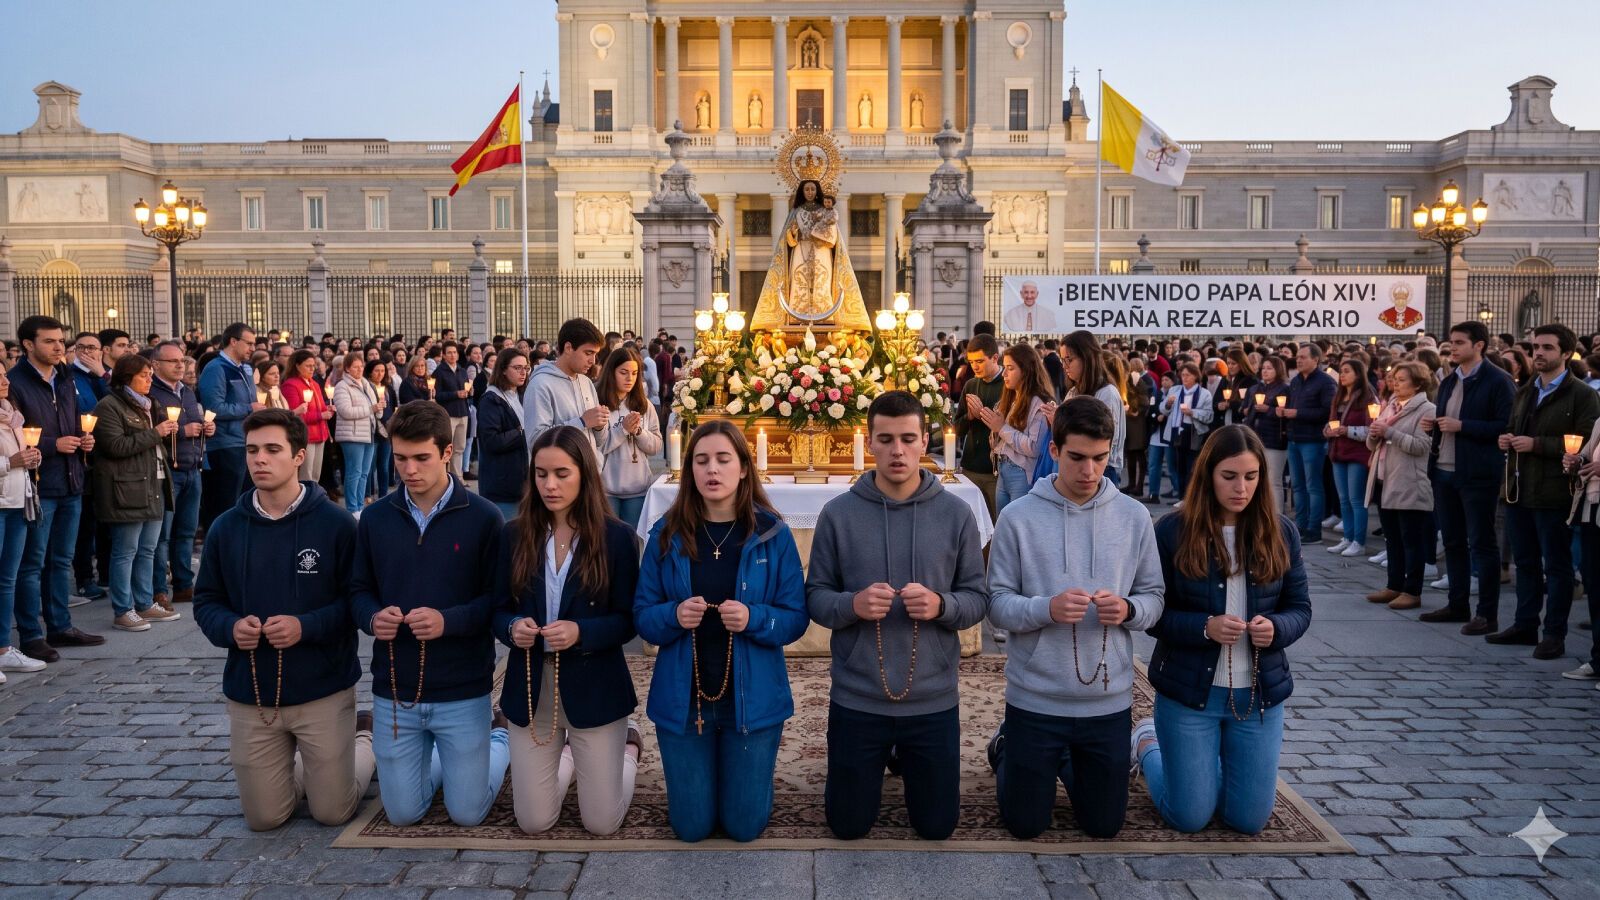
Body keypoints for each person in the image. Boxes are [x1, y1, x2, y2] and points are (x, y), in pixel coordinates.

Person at [805, 390, 989, 840]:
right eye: (885, 439)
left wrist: (942, 605)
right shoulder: (839, 514)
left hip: (932, 697)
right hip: (858, 696)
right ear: (869, 442)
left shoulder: (956, 513)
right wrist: (853, 605)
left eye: (908, 438)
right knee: (848, 827)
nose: (898, 450)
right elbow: (815, 598)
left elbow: (979, 599)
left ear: (925, 441)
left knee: (937, 827)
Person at [986, 397, 1165, 839]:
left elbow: (1154, 598)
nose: (1089, 471)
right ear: (1054, 451)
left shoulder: (1134, 516)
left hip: (1107, 702)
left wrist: (1128, 610)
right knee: (1025, 824)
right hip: (1035, 699)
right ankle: (1008, 747)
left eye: (1100, 459)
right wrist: (1045, 608)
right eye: (1077, 458)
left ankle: (1068, 761)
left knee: (1104, 827)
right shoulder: (1018, 517)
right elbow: (996, 604)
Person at [192, 408, 375, 831]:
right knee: (263, 819)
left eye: (272, 450)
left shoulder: (336, 524)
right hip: (252, 691)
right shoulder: (225, 527)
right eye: (252, 449)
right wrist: (231, 629)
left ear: (298, 455)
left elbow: (355, 603)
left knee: (332, 811)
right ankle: (292, 770)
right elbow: (206, 603)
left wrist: (305, 626)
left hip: (321, 687)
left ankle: (364, 740)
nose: (259, 459)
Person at [633, 420, 808, 842]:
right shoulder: (667, 533)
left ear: (744, 468)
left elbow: (795, 617)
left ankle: (748, 786)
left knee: (744, 826)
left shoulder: (771, 534)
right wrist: (674, 615)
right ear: (690, 469)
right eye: (702, 460)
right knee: (691, 828)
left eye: (723, 459)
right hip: (685, 700)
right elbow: (642, 616)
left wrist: (755, 619)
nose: (712, 469)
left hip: (751, 700)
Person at [1133, 424, 1312, 834]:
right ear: (1208, 474)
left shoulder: (1281, 532)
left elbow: (1299, 608)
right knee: (1189, 816)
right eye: (1229, 476)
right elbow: (1152, 614)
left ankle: (1205, 764)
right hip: (1189, 695)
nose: (1241, 488)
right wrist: (1204, 627)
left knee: (1247, 820)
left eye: (1251, 477)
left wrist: (1277, 627)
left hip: (1258, 698)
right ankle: (1147, 745)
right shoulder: (1172, 531)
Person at [353, 400, 510, 826]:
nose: (409, 469)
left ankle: (499, 737)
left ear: (447, 452)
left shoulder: (484, 517)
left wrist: (448, 621)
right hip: (395, 689)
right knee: (403, 814)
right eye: (400, 458)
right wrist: (371, 618)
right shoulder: (374, 518)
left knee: (467, 813)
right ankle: (443, 757)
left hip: (462, 687)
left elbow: (498, 602)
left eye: (421, 457)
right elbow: (358, 591)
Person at [493, 426, 642, 835]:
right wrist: (511, 626)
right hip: (531, 685)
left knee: (601, 823)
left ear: (585, 474)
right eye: (541, 474)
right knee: (535, 821)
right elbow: (497, 608)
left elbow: (630, 620)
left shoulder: (617, 539)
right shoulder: (515, 533)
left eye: (562, 473)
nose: (550, 484)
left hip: (595, 685)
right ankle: (569, 759)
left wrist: (581, 632)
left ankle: (628, 751)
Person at [1491, 324, 1600, 659]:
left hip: (1555, 491)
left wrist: (1537, 444)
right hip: (1519, 488)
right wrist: (1507, 438)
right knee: (1525, 562)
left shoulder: (1581, 394)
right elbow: (1512, 427)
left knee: (1556, 565)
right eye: (1536, 347)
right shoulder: (1525, 390)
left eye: (1547, 348)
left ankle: (1554, 633)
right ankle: (1525, 624)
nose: (1539, 353)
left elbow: (1584, 443)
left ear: (1566, 354)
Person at [10, 315, 104, 662]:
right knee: (33, 562)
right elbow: (12, 434)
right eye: (49, 341)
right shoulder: (15, 381)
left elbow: (76, 418)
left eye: (60, 341)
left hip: (71, 478)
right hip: (39, 483)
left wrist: (83, 439)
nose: (58, 346)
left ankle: (60, 626)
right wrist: (53, 445)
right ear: (28, 345)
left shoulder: (65, 377)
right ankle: (32, 635)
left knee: (61, 560)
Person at [1423, 321, 1515, 634]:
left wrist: (1463, 426)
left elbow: (1505, 426)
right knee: (1452, 541)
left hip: (1477, 473)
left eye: (1459, 343)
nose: (1453, 348)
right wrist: (1434, 426)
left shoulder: (1498, 381)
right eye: (1451, 343)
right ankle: (1457, 603)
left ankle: (1487, 613)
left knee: (1481, 543)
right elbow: (1445, 420)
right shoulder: (1449, 381)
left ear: (1479, 345)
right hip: (1444, 470)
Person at [91, 354, 182, 632]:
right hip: (127, 487)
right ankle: (123, 609)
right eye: (144, 375)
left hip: (153, 484)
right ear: (126, 377)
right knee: (125, 551)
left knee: (148, 550)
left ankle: (144, 602)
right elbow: (115, 446)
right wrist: (156, 433)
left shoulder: (149, 404)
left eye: (150, 375)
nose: (149, 380)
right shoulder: (109, 406)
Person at [1362, 362, 1437, 611]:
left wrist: (1390, 432)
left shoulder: (1427, 410)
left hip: (1409, 480)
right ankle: (1393, 584)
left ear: (1417, 383)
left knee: (1410, 538)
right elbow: (1373, 445)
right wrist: (1374, 434)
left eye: (1402, 379)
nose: (1396, 383)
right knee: (1392, 537)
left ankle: (1412, 590)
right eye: (1394, 378)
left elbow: (1421, 447)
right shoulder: (1390, 405)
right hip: (1385, 477)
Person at [148, 341, 212, 608]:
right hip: (167, 471)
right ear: (156, 365)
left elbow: (193, 420)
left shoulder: (187, 391)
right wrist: (183, 432)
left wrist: (206, 429)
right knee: (163, 534)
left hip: (192, 467)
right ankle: (158, 589)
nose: (180, 366)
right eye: (172, 361)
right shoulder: (151, 393)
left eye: (182, 361)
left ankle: (184, 584)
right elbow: (149, 433)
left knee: (186, 531)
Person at [0, 368, 44, 681]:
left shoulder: (11, 415)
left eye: (4, 375)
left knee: (7, 580)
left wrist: (30, 457)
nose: (5, 381)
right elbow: (7, 460)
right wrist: (9, 463)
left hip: (17, 501)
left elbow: (17, 456)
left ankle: (3, 649)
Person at [199, 324, 264, 529]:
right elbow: (214, 407)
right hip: (225, 445)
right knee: (225, 505)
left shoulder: (244, 369)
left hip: (244, 442)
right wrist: (248, 408)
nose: (253, 348)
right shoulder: (216, 368)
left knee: (244, 501)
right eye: (249, 343)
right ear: (234, 342)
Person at [977, 343, 1051, 514]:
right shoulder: (1010, 398)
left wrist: (1002, 428)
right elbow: (999, 442)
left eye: (1010, 368)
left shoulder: (1038, 403)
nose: (1003, 374)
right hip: (1003, 470)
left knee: (1017, 527)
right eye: (1004, 367)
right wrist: (994, 430)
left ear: (1026, 370)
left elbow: (1035, 447)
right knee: (1002, 525)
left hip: (1022, 474)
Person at [595, 346, 662, 528]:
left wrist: (639, 432)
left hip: (637, 488)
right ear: (611, 372)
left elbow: (656, 446)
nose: (629, 378)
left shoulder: (644, 405)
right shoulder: (598, 403)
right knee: (607, 542)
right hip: (606, 488)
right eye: (623, 372)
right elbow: (597, 446)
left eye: (634, 373)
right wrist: (622, 430)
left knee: (632, 542)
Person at [1281, 344, 1336, 543]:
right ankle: (1300, 526)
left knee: (1313, 485)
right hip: (1294, 438)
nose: (1299, 360)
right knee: (1298, 486)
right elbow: (1292, 405)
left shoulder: (1325, 382)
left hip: (1313, 440)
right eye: (1298, 357)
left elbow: (1328, 411)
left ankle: (1314, 529)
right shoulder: (1295, 381)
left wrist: (1298, 413)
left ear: (1316, 359)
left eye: (1303, 357)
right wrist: (1285, 412)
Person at [525, 318, 607, 451]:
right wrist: (582, 422)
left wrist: (600, 426)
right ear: (568, 348)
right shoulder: (540, 384)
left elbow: (599, 442)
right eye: (588, 353)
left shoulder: (586, 382)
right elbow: (536, 441)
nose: (593, 360)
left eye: (595, 354)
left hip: (589, 469)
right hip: (560, 470)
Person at [1562, 413, 1600, 685]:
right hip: (1591, 508)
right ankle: (1598, 659)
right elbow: (1586, 455)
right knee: (1595, 587)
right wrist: (1576, 461)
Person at [1062, 331, 1127, 485]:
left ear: (1087, 358)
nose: (1065, 366)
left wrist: (1062, 420)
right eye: (1062, 360)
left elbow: (1105, 437)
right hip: (1075, 465)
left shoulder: (1106, 393)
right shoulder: (1074, 390)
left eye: (1069, 360)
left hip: (1102, 469)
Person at [1325, 358, 1375, 558]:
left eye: (1347, 371)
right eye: (1341, 371)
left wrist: (1348, 431)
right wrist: (1328, 430)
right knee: (1343, 499)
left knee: (1356, 499)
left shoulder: (1368, 397)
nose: (1342, 375)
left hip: (1357, 453)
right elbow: (1331, 421)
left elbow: (1372, 429)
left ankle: (1358, 541)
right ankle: (1347, 537)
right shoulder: (1338, 396)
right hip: (1338, 452)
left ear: (1358, 374)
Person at [952, 334, 1004, 515]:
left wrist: (984, 414)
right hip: (971, 467)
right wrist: (970, 417)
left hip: (996, 471)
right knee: (972, 525)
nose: (974, 366)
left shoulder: (1008, 384)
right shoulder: (971, 384)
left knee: (995, 525)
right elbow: (957, 428)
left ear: (995, 358)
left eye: (980, 361)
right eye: (971, 361)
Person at [478, 348, 532, 521]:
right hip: (502, 485)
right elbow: (491, 441)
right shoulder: (491, 399)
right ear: (502, 369)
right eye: (517, 368)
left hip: (522, 482)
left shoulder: (521, 394)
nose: (523, 373)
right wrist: (522, 433)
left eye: (526, 368)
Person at [332, 354, 382, 515]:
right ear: (347, 368)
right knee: (354, 472)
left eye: (361, 366)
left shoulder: (366, 383)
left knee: (364, 473)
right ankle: (352, 508)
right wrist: (371, 409)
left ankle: (360, 506)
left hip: (368, 433)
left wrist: (379, 408)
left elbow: (375, 410)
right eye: (355, 367)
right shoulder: (342, 386)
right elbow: (345, 411)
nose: (359, 369)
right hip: (352, 435)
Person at [1160, 363, 1215, 500]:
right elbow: (1163, 409)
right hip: (1177, 431)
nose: (1184, 378)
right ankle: (1181, 496)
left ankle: (1190, 498)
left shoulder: (1204, 393)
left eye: (1187, 375)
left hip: (1194, 432)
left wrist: (1192, 412)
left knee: (1191, 468)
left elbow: (1209, 416)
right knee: (1178, 466)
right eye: (1182, 375)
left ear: (1196, 376)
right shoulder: (1175, 390)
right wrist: (1168, 404)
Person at [1244, 356, 1292, 514]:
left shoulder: (1283, 389)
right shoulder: (1257, 388)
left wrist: (1268, 410)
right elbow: (1250, 410)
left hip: (1275, 438)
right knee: (1259, 479)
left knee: (1274, 481)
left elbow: (1284, 414)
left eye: (1269, 368)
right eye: (1263, 367)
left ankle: (1278, 516)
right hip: (1257, 437)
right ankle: (1262, 513)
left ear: (1278, 370)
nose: (1265, 371)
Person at [282, 350, 333, 484]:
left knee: (316, 474)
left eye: (313, 365)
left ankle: (313, 501)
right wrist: (321, 415)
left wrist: (328, 409)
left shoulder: (314, 384)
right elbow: (296, 415)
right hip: (306, 435)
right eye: (308, 365)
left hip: (320, 434)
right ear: (297, 366)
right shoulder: (291, 385)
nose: (312, 369)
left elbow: (320, 407)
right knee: (306, 474)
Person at [432, 342, 472, 479]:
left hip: (463, 412)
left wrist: (470, 391)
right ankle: (444, 478)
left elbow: (467, 390)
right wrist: (456, 394)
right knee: (446, 447)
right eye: (449, 352)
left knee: (460, 447)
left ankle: (458, 477)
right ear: (443, 355)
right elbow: (437, 395)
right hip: (448, 413)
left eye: (454, 352)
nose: (452, 355)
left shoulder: (462, 371)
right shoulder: (439, 372)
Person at [367, 360, 395, 503]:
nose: (380, 374)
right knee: (370, 466)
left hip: (386, 429)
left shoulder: (388, 388)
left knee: (383, 465)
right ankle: (369, 494)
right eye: (376, 370)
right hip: (372, 429)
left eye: (382, 371)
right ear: (370, 372)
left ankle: (383, 495)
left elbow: (393, 406)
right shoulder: (367, 387)